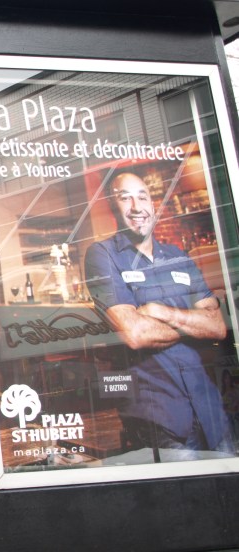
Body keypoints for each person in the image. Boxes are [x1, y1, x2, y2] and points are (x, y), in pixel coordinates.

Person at [84, 171, 234, 458]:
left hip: (210, 410)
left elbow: (217, 326)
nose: (136, 207)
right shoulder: (102, 256)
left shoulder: (178, 255)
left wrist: (159, 312)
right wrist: (191, 323)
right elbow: (136, 334)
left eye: (143, 197)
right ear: (112, 205)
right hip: (159, 416)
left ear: (153, 205)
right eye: (125, 198)